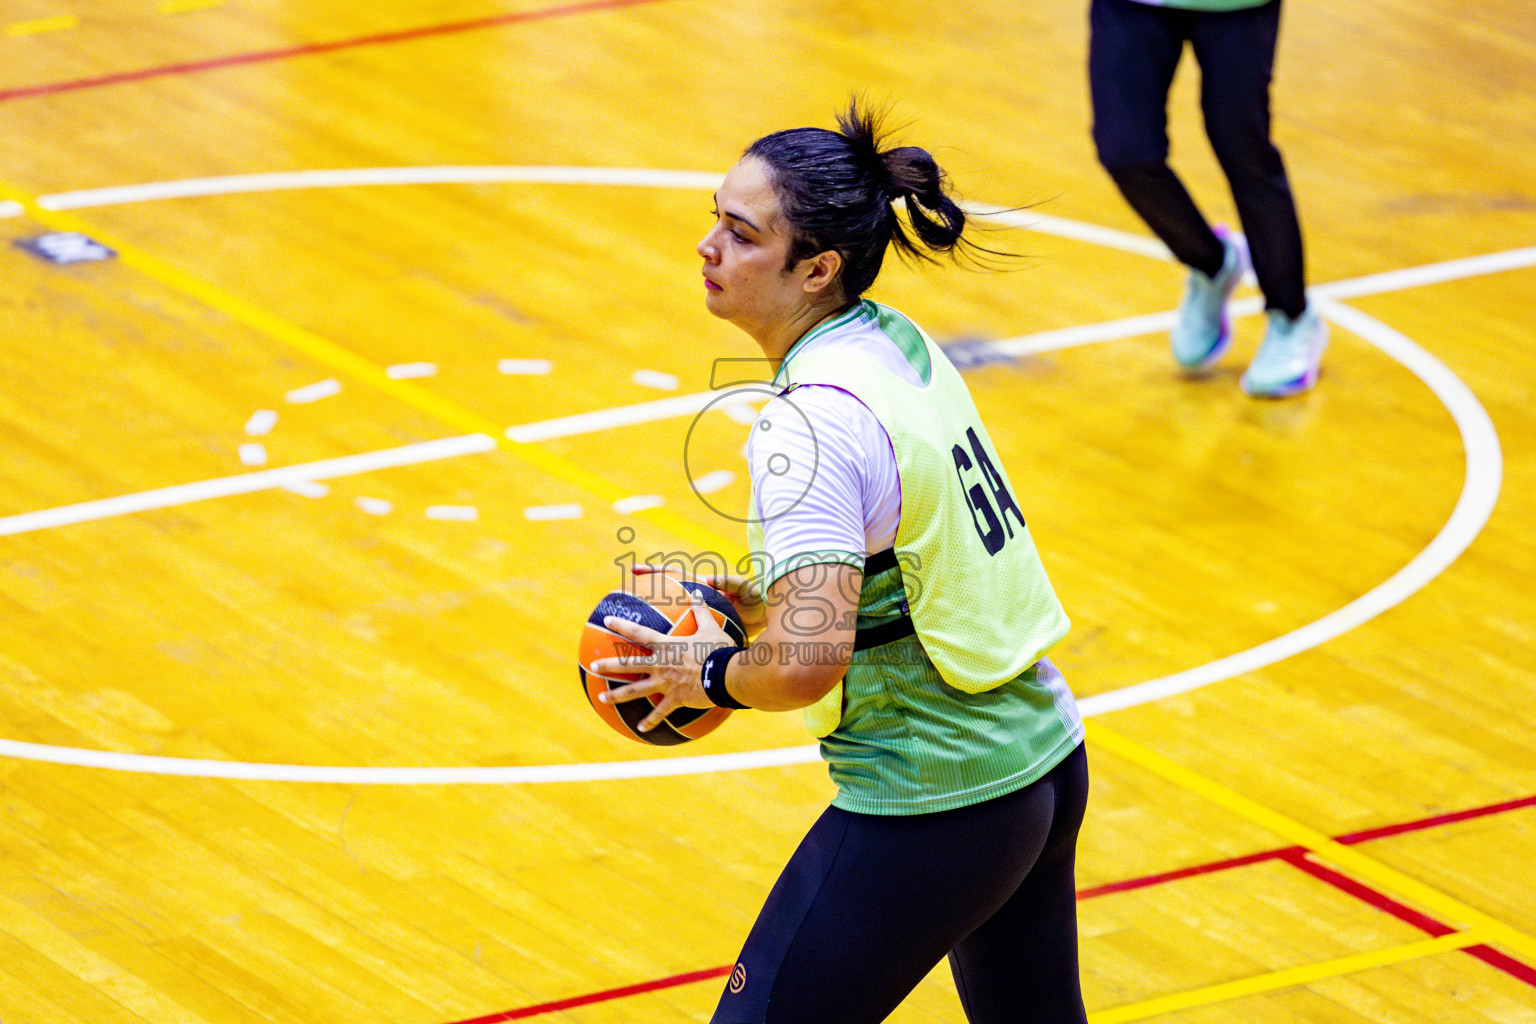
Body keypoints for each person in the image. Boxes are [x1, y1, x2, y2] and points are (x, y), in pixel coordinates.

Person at [590, 101, 1090, 1024]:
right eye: (715, 218)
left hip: (940, 790)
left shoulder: (805, 423)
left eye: (741, 235)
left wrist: (701, 670)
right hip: (1041, 757)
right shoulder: (890, 341)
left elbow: (805, 665)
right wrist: (756, 593)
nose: (708, 246)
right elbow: (905, 544)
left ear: (816, 267)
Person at [1089, 0, 1327, 397]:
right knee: (1125, 152)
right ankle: (1212, 263)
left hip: (1235, 5)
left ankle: (1292, 316)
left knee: (1242, 149)